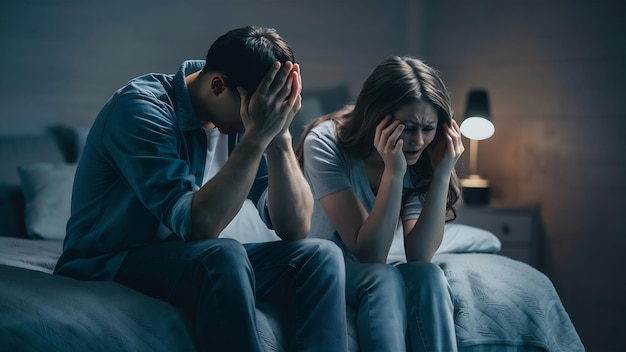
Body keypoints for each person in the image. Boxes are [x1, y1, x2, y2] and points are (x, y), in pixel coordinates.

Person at [54, 26, 348, 352]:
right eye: (260, 110)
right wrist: (255, 138)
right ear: (218, 86)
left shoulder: (247, 116)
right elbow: (200, 226)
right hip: (109, 261)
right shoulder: (141, 109)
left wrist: (279, 137)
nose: (264, 117)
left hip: (186, 260)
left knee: (321, 256)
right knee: (222, 253)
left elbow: (294, 227)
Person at [296, 56, 464, 351]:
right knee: (382, 275)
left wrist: (442, 173)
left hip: (370, 265)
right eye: (407, 127)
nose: (418, 141)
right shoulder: (324, 142)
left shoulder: (425, 153)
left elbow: (420, 254)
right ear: (377, 118)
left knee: (429, 275)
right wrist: (394, 171)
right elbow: (370, 254)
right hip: (323, 265)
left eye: (428, 128)